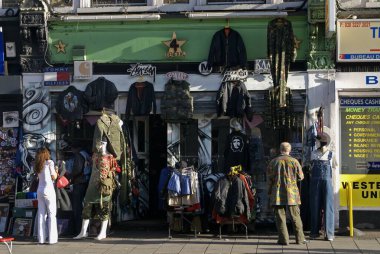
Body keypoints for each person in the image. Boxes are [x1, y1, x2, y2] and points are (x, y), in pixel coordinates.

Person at [267, 142, 306, 245]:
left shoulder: (273, 162)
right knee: (295, 216)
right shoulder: (295, 162)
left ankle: (284, 240)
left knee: (280, 217)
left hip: (278, 193)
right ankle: (300, 239)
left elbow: (270, 178)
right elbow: (301, 177)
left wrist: (269, 191)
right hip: (292, 194)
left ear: (280, 149)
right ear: (290, 150)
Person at [309, 133, 337, 241]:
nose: (315, 143)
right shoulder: (313, 153)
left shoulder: (332, 154)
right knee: (314, 206)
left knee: (328, 207)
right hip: (315, 182)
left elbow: (334, 166)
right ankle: (314, 232)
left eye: (317, 141)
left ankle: (329, 233)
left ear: (321, 143)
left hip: (327, 183)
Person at [34, 147, 58, 244]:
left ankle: (41, 239)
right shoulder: (50, 162)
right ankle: (52, 239)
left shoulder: (37, 164)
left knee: (41, 215)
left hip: (40, 190)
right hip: (49, 190)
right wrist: (56, 171)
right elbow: (53, 177)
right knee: (52, 214)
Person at [70, 143, 90, 236]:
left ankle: (79, 230)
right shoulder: (86, 154)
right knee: (83, 206)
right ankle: (85, 229)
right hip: (85, 181)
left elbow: (77, 169)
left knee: (77, 207)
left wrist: (71, 177)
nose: (72, 151)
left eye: (72, 149)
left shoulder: (79, 155)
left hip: (79, 182)